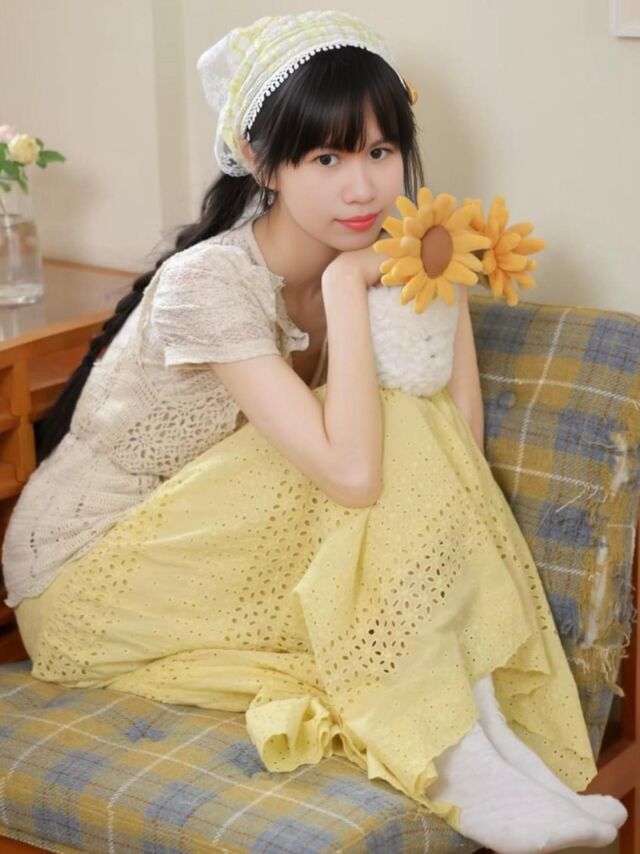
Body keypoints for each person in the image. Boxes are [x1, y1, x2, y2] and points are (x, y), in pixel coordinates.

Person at [2, 10, 627, 853]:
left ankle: (480, 740)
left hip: (215, 544)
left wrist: (437, 277)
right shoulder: (209, 283)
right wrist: (344, 288)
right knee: (383, 428)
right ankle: (454, 759)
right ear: (262, 162)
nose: (362, 188)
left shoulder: (378, 253)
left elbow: (458, 449)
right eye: (326, 159)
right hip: (90, 573)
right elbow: (356, 475)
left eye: (380, 152)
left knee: (409, 422)